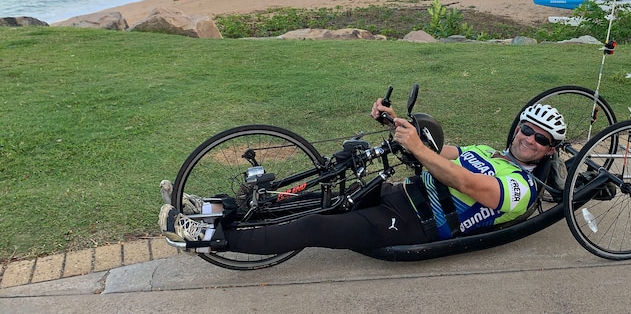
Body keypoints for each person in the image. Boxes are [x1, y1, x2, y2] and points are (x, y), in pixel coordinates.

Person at [159, 101, 566, 254]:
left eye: (540, 138)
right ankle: (213, 208)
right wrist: (396, 124)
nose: (528, 138)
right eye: (526, 128)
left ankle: (210, 237)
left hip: (412, 226)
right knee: (317, 199)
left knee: (314, 226)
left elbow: (469, 185)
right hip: (396, 194)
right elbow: (431, 150)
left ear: (549, 150)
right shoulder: (485, 151)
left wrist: (422, 152)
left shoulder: (521, 186)